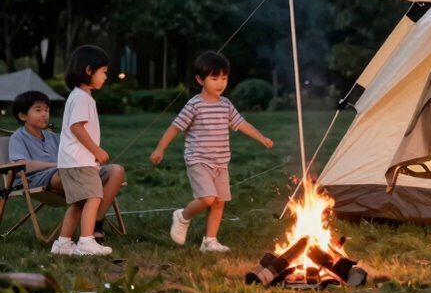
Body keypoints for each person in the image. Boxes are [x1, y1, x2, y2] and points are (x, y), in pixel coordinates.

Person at [150, 51, 274, 252]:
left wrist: (261, 138)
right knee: (207, 198)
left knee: (219, 202)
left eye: (224, 78)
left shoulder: (226, 105)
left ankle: (209, 241)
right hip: (199, 160)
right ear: (200, 79)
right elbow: (175, 127)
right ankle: (182, 217)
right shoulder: (194, 105)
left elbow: (241, 123)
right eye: (214, 78)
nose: (220, 83)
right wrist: (160, 148)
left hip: (221, 162)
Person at [7, 90, 125, 248]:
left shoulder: (54, 137)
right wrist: (54, 165)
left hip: (70, 172)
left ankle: (96, 221)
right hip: (39, 179)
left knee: (116, 171)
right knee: (73, 175)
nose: (44, 114)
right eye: (38, 110)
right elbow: (22, 164)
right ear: (23, 116)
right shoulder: (18, 138)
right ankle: (80, 237)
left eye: (46, 110)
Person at [53, 45, 115, 256]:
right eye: (103, 71)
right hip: (79, 161)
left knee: (80, 203)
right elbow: (76, 127)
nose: (106, 76)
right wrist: (96, 150)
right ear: (89, 70)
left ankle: (63, 243)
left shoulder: (79, 96)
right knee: (94, 197)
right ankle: (86, 241)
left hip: (72, 161)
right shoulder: (81, 98)